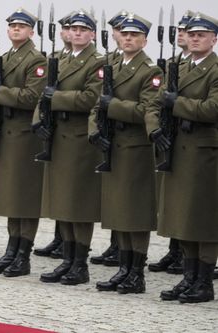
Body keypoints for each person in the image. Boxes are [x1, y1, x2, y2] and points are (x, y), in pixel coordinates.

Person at [146, 13, 218, 304]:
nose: (196, 38)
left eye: (202, 34)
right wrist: (155, 128)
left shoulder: (215, 69)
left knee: (204, 219)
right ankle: (188, 277)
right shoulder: (180, 67)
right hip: (177, 150)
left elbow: (213, 108)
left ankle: (203, 282)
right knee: (182, 218)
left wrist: (177, 104)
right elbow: (155, 101)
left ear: (214, 38)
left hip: (204, 153)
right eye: (192, 34)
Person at [89, 14, 163, 294]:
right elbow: (97, 105)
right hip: (113, 146)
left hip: (134, 148)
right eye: (125, 34)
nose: (128, 39)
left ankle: (136, 273)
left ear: (144, 40)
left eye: (135, 35)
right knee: (118, 210)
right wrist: (94, 129)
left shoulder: (150, 71)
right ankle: (123, 268)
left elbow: (147, 110)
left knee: (135, 212)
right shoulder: (113, 65)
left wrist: (114, 106)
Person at [36, 10, 103, 285]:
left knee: (79, 204)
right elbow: (44, 94)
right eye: (73, 29)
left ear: (92, 34)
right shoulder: (61, 58)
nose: (77, 33)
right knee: (62, 201)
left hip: (78, 138)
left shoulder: (96, 63)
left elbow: (91, 98)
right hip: (59, 136)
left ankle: (79, 263)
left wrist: (58, 98)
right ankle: (67, 259)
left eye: (83, 29)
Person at [0, 8, 47, 278]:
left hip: (24, 133)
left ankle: (23, 254)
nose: (16, 30)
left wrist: (1, 93)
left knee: (25, 197)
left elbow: (32, 96)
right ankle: (11, 249)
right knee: (9, 195)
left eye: (22, 26)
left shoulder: (36, 59)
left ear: (31, 31)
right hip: (6, 132)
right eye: (13, 26)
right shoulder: (5, 57)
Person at [147, 10, 195, 275]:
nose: (182, 36)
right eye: (180, 31)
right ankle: (175, 250)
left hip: (191, 141)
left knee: (186, 202)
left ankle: (186, 255)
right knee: (173, 200)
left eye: (185, 32)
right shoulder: (175, 62)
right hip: (170, 138)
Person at [33, 11, 75, 260]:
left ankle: (67, 243)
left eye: (75, 29)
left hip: (73, 132)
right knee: (60, 189)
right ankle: (61, 239)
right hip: (56, 130)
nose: (70, 33)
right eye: (66, 29)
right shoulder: (55, 58)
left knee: (70, 191)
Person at [89, 10, 129, 268]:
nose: (120, 35)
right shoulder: (111, 61)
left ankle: (125, 253)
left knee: (127, 199)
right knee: (118, 197)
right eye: (118, 30)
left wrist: (111, 107)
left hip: (129, 138)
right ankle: (117, 247)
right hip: (111, 135)